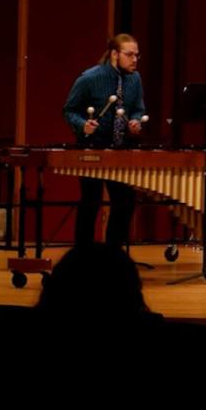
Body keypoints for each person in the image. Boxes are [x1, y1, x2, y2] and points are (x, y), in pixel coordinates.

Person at [62, 33, 147, 249]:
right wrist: (83, 124)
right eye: (129, 55)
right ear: (114, 54)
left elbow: (137, 108)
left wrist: (136, 120)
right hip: (92, 148)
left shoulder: (134, 79)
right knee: (91, 202)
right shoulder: (89, 78)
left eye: (137, 55)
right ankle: (83, 253)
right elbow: (69, 110)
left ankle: (113, 253)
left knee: (125, 202)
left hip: (120, 150)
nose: (135, 59)